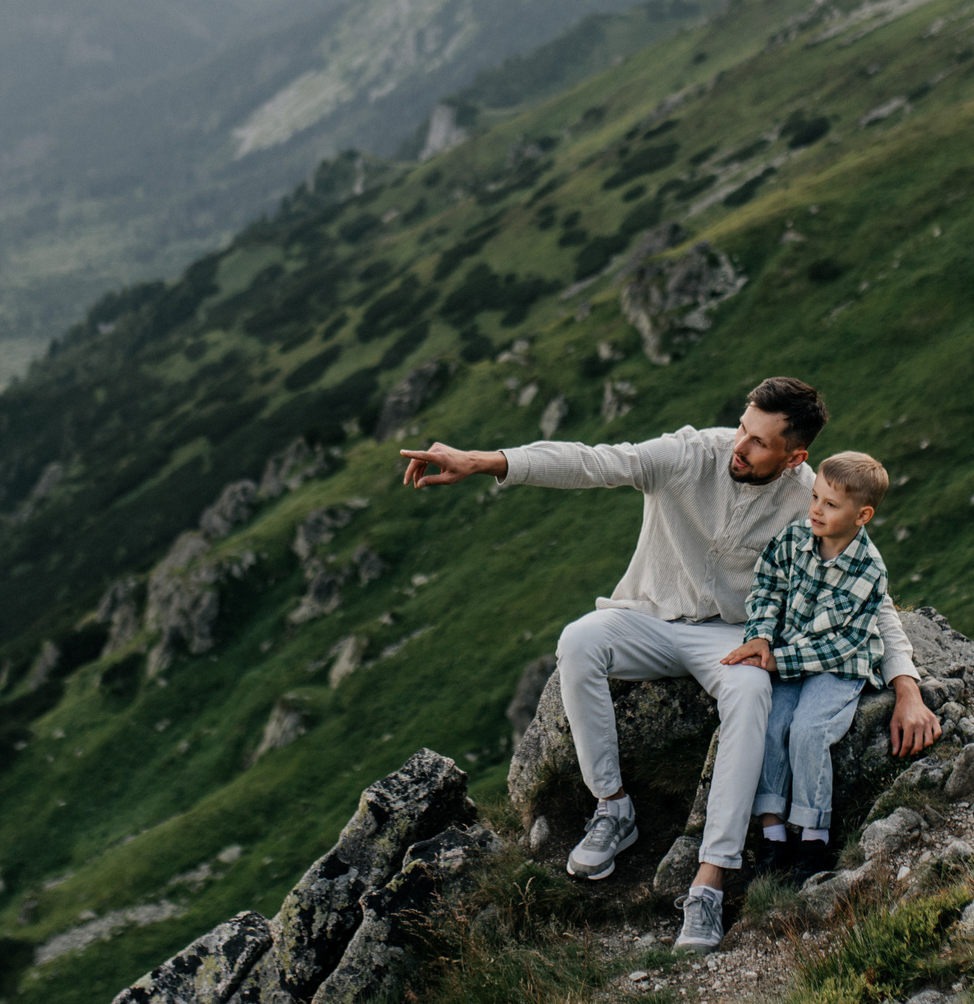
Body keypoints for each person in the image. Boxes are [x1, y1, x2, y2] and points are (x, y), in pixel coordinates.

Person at [398, 376, 941, 952]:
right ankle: (612, 808)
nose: (740, 445)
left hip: (730, 637)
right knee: (579, 640)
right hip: (648, 616)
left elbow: (872, 601)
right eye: (742, 428)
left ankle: (709, 882)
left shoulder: (808, 500)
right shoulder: (692, 454)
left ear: (794, 457)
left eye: (759, 442)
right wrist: (484, 462)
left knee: (754, 692)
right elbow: (592, 462)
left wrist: (907, 690)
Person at [719, 450, 896, 880]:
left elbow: (839, 645)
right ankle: (773, 831)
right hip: (787, 653)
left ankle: (814, 834)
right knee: (771, 721)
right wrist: (760, 635)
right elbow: (767, 587)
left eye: (830, 505)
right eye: (815, 497)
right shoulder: (795, 539)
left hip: (840, 667)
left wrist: (777, 660)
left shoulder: (868, 570)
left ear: (862, 515)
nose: (816, 509)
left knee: (809, 730)